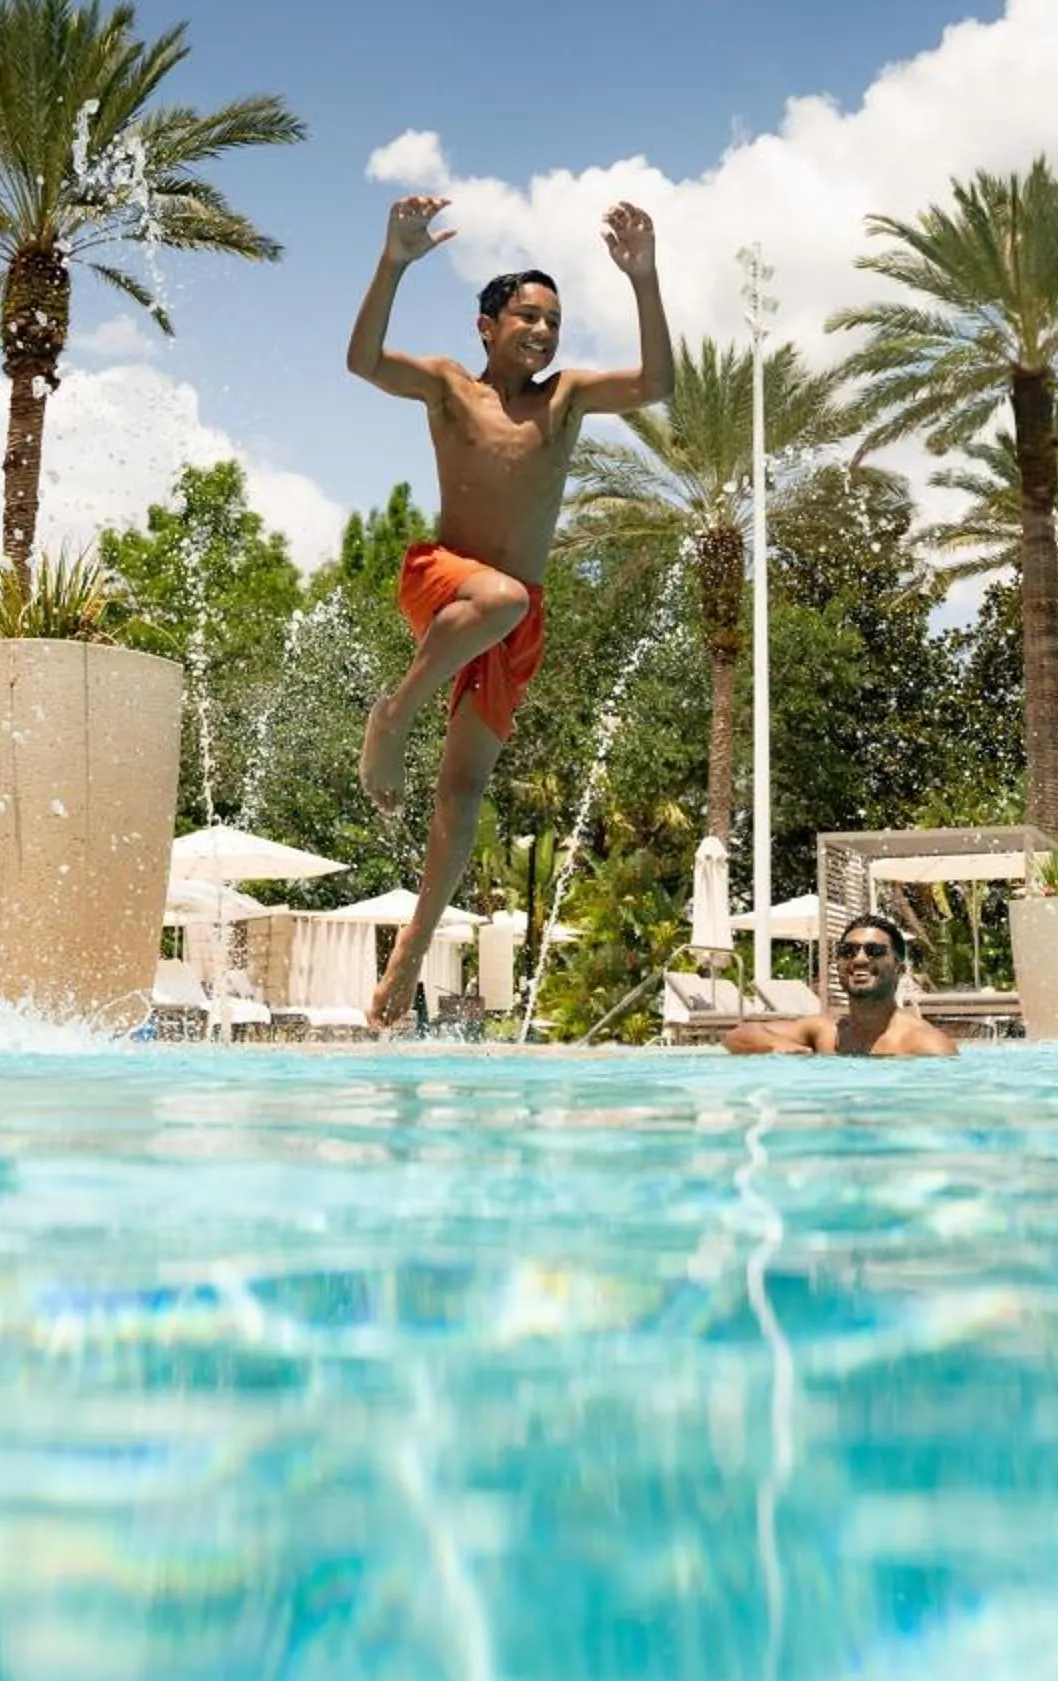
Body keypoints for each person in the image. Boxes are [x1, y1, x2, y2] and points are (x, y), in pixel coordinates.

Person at [345, 193, 673, 1027]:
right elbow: (362, 363)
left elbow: (657, 382)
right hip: (448, 582)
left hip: (510, 622)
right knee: (499, 593)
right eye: (527, 314)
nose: (543, 330)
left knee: (463, 791)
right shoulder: (451, 388)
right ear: (487, 325)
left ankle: (407, 957)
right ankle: (394, 716)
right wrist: (392, 261)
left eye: (554, 320)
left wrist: (643, 278)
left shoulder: (565, 401)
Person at [724, 914, 960, 1058]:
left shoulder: (927, 1046)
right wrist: (775, 1046)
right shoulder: (823, 1031)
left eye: (874, 951)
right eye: (847, 951)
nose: (858, 959)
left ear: (900, 969)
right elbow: (735, 1037)